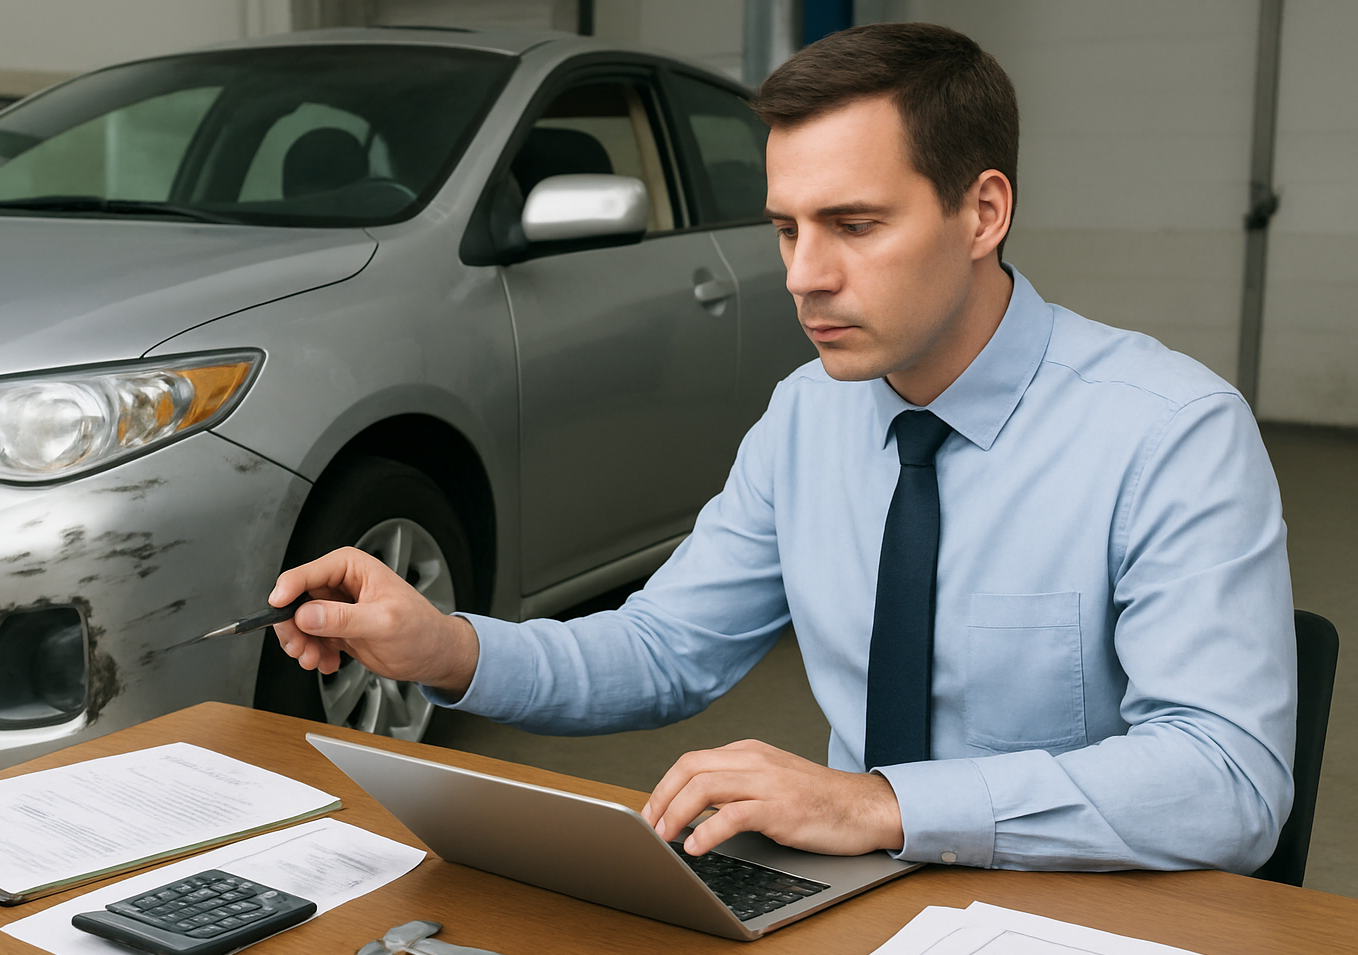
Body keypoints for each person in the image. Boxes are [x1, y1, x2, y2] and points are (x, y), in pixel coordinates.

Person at [270, 23, 1296, 874]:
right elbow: (665, 649)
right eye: (787, 229)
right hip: (852, 901)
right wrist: (450, 647)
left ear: (982, 211)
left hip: (1080, 922)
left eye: (852, 225)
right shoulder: (808, 416)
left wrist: (879, 804)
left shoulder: (1170, 433)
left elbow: (1228, 782)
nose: (805, 276)